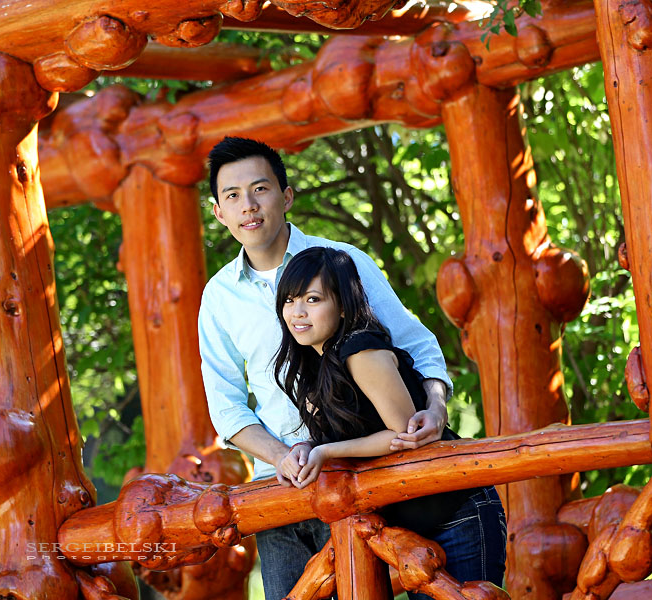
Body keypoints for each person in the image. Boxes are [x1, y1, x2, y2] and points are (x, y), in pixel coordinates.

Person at [198, 136, 453, 600]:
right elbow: (227, 407)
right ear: (218, 212)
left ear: (286, 196)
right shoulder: (218, 298)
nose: (248, 205)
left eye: (260, 189)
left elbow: (417, 344)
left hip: (363, 476)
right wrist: (282, 456)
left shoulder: (342, 262)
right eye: (232, 196)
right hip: (279, 491)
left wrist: (436, 407)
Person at [273, 247, 507, 596]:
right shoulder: (317, 365)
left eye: (313, 299)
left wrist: (324, 452)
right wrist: (306, 447)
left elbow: (404, 433)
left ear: (342, 304)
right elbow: (352, 433)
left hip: (455, 511)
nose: (298, 312)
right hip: (412, 525)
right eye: (290, 301)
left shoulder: (360, 351)